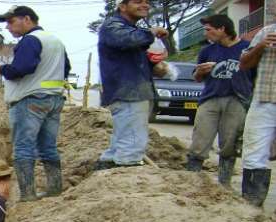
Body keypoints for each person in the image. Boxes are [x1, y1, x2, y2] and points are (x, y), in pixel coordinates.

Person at [0, 6, 71, 202]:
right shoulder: (55, 41)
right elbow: (66, 68)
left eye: (11, 22)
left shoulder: (30, 40)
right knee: (48, 147)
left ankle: (27, 195)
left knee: (23, 148)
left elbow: (22, 68)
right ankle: (54, 189)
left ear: (26, 19)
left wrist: (3, 69)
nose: (8, 27)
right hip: (53, 100)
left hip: (30, 101)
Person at [93, 0, 169, 170]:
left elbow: (130, 54)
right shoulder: (114, 26)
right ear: (122, 6)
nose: (145, 5)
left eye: (146, 2)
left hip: (130, 91)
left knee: (121, 141)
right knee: (131, 146)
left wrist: (154, 67)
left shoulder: (131, 29)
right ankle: (127, 180)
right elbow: (126, 40)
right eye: (137, 1)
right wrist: (151, 33)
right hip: (129, 93)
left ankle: (107, 171)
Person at [186, 15, 254, 188]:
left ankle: (224, 184)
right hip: (210, 99)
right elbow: (197, 78)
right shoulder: (207, 51)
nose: (206, 33)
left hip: (238, 100)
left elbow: (255, 76)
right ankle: (191, 182)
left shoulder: (247, 48)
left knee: (229, 143)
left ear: (222, 29)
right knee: (200, 140)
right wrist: (201, 71)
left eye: (209, 29)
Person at [239, 23, 276, 207]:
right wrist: (260, 46)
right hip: (265, 99)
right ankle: (252, 205)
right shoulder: (266, 32)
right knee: (254, 152)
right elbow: (244, 64)